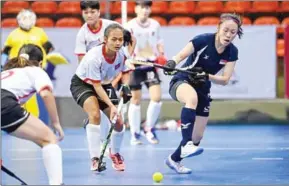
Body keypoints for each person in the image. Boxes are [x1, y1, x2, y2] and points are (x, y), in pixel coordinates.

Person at [163, 13, 242, 174]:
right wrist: (172, 63)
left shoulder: (232, 52)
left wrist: (207, 76)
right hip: (182, 80)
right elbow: (180, 55)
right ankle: (186, 144)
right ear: (218, 28)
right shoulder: (203, 40)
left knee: (197, 137)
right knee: (191, 99)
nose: (228, 35)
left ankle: (174, 159)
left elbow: (225, 79)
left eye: (233, 32)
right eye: (226, 30)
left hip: (203, 87)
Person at [70, 24, 132, 172]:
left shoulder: (121, 54)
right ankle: (95, 158)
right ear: (105, 39)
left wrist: (126, 86)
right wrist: (112, 106)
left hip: (104, 84)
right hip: (83, 84)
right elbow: (96, 87)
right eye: (114, 39)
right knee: (95, 114)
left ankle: (115, 153)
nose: (118, 43)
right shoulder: (94, 57)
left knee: (118, 122)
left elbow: (125, 71)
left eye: (120, 40)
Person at [1, 44, 64, 185]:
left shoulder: (6, 73)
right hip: (5, 103)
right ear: (41, 63)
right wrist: (56, 123)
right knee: (49, 139)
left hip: (5, 104)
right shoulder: (37, 71)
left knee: (42, 139)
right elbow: (46, 94)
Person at [1, 9, 56, 123]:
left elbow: (48, 47)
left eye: (29, 18)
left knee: (38, 96)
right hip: (17, 69)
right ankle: (18, 120)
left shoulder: (40, 32)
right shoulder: (13, 34)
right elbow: (6, 51)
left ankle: (35, 120)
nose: (27, 21)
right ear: (19, 19)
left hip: (35, 69)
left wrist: (43, 61)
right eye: (24, 18)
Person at [124, 0, 166, 145]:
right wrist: (128, 59)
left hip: (150, 65)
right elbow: (125, 45)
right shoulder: (129, 26)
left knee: (157, 98)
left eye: (147, 8)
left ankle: (149, 129)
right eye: (142, 7)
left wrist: (161, 54)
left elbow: (159, 41)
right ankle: (135, 134)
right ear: (136, 9)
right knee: (135, 100)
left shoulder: (155, 24)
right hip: (135, 66)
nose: (145, 10)